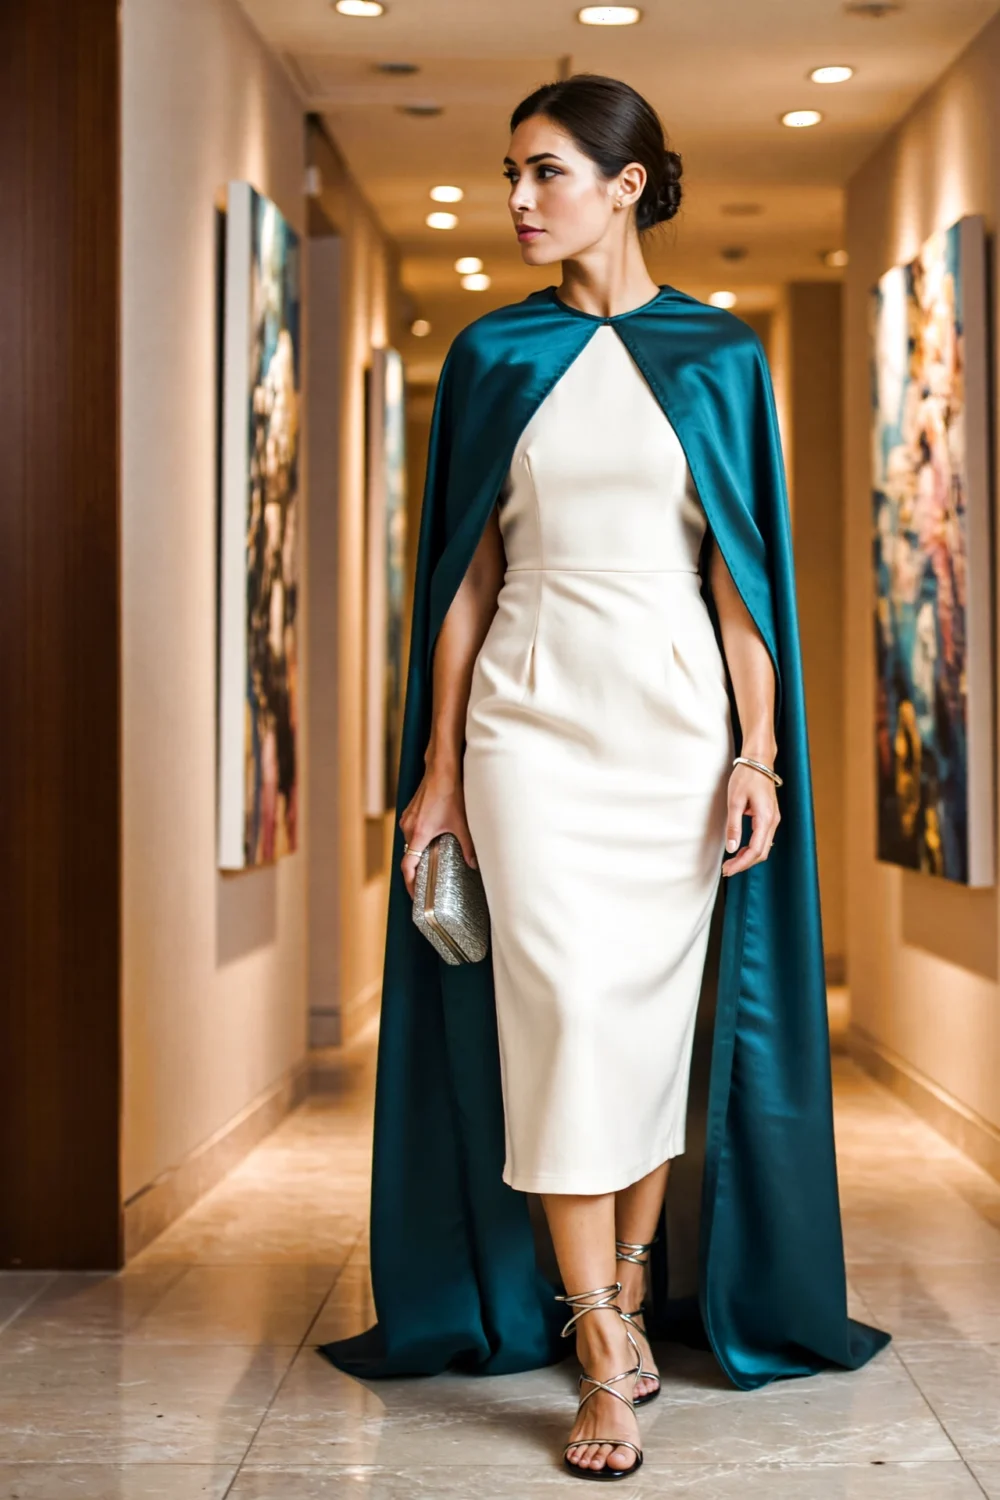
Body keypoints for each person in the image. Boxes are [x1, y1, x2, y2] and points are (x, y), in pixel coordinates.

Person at [319, 72, 889, 1483]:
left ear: (629, 186)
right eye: (510, 173)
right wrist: (439, 769)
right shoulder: (492, 358)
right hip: (528, 729)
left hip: (676, 736)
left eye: (547, 173)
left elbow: (740, 582)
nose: (518, 199)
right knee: (565, 1014)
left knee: (642, 1035)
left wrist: (757, 753)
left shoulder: (719, 358)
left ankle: (630, 1293)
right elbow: (466, 577)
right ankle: (595, 1353)